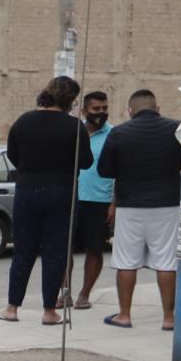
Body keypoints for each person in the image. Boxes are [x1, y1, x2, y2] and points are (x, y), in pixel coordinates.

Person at [0, 76, 92, 325]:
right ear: (70, 100)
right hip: (63, 192)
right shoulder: (75, 127)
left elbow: (12, 154)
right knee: (56, 252)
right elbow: (85, 162)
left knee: (23, 251)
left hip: (28, 191)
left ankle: (11, 308)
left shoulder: (23, 122)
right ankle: (49, 311)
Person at [96, 89, 181, 330]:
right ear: (158, 109)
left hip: (130, 206)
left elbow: (105, 170)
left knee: (126, 261)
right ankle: (168, 318)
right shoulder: (176, 129)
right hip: (168, 204)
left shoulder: (118, 133)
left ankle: (124, 314)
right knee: (167, 261)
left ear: (130, 111)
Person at [71, 91, 114, 310]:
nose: (101, 113)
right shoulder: (74, 132)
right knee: (63, 250)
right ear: (84, 110)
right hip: (70, 199)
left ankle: (84, 294)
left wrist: (114, 203)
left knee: (94, 250)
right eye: (96, 109)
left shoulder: (114, 134)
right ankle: (63, 292)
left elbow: (120, 171)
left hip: (100, 202)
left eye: (104, 108)